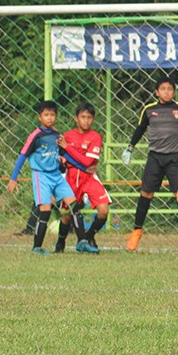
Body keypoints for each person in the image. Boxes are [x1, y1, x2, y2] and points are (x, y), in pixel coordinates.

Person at [121, 75, 178, 254]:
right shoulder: (149, 109)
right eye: (163, 89)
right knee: (146, 192)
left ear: (174, 91)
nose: (167, 92)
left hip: (176, 157)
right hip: (155, 157)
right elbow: (140, 129)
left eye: (170, 89)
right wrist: (130, 148)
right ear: (157, 92)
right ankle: (136, 231)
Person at [7, 100, 86, 255]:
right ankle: (37, 247)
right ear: (40, 117)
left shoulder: (57, 135)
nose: (50, 118)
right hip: (41, 176)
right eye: (46, 115)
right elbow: (23, 156)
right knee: (45, 210)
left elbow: (64, 155)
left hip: (56, 175)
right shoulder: (36, 136)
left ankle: (82, 242)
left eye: (52, 115)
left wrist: (82, 167)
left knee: (75, 206)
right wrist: (13, 178)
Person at [60, 102, 112, 254]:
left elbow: (87, 162)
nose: (86, 120)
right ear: (76, 118)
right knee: (67, 216)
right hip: (71, 178)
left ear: (93, 120)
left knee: (103, 210)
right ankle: (60, 242)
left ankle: (88, 237)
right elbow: (61, 155)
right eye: (83, 117)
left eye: (89, 117)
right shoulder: (68, 135)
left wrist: (68, 148)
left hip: (89, 177)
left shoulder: (95, 137)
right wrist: (61, 157)